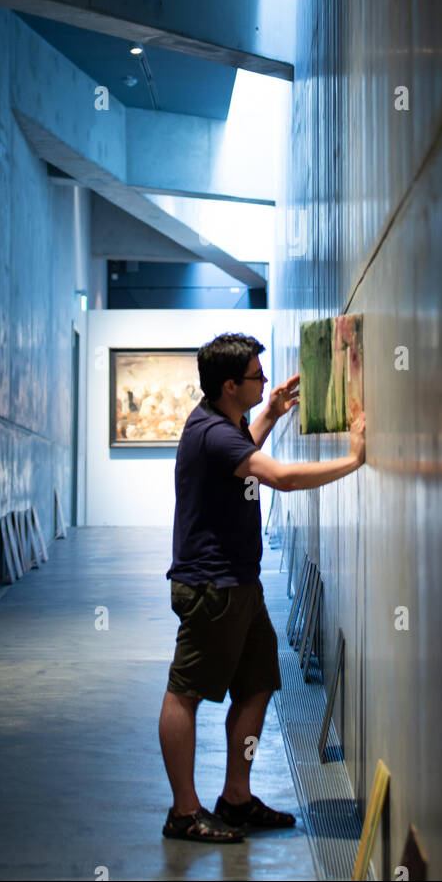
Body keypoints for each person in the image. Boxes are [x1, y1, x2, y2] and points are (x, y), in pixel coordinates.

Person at [158, 331, 367, 842]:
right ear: (230, 386)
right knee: (185, 695)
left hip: (239, 584)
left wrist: (270, 413)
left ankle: (235, 797)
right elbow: (282, 478)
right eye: (257, 376)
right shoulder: (213, 432)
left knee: (258, 684)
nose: (267, 380)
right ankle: (184, 813)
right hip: (212, 588)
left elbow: (243, 453)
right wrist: (354, 459)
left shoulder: (220, 424)